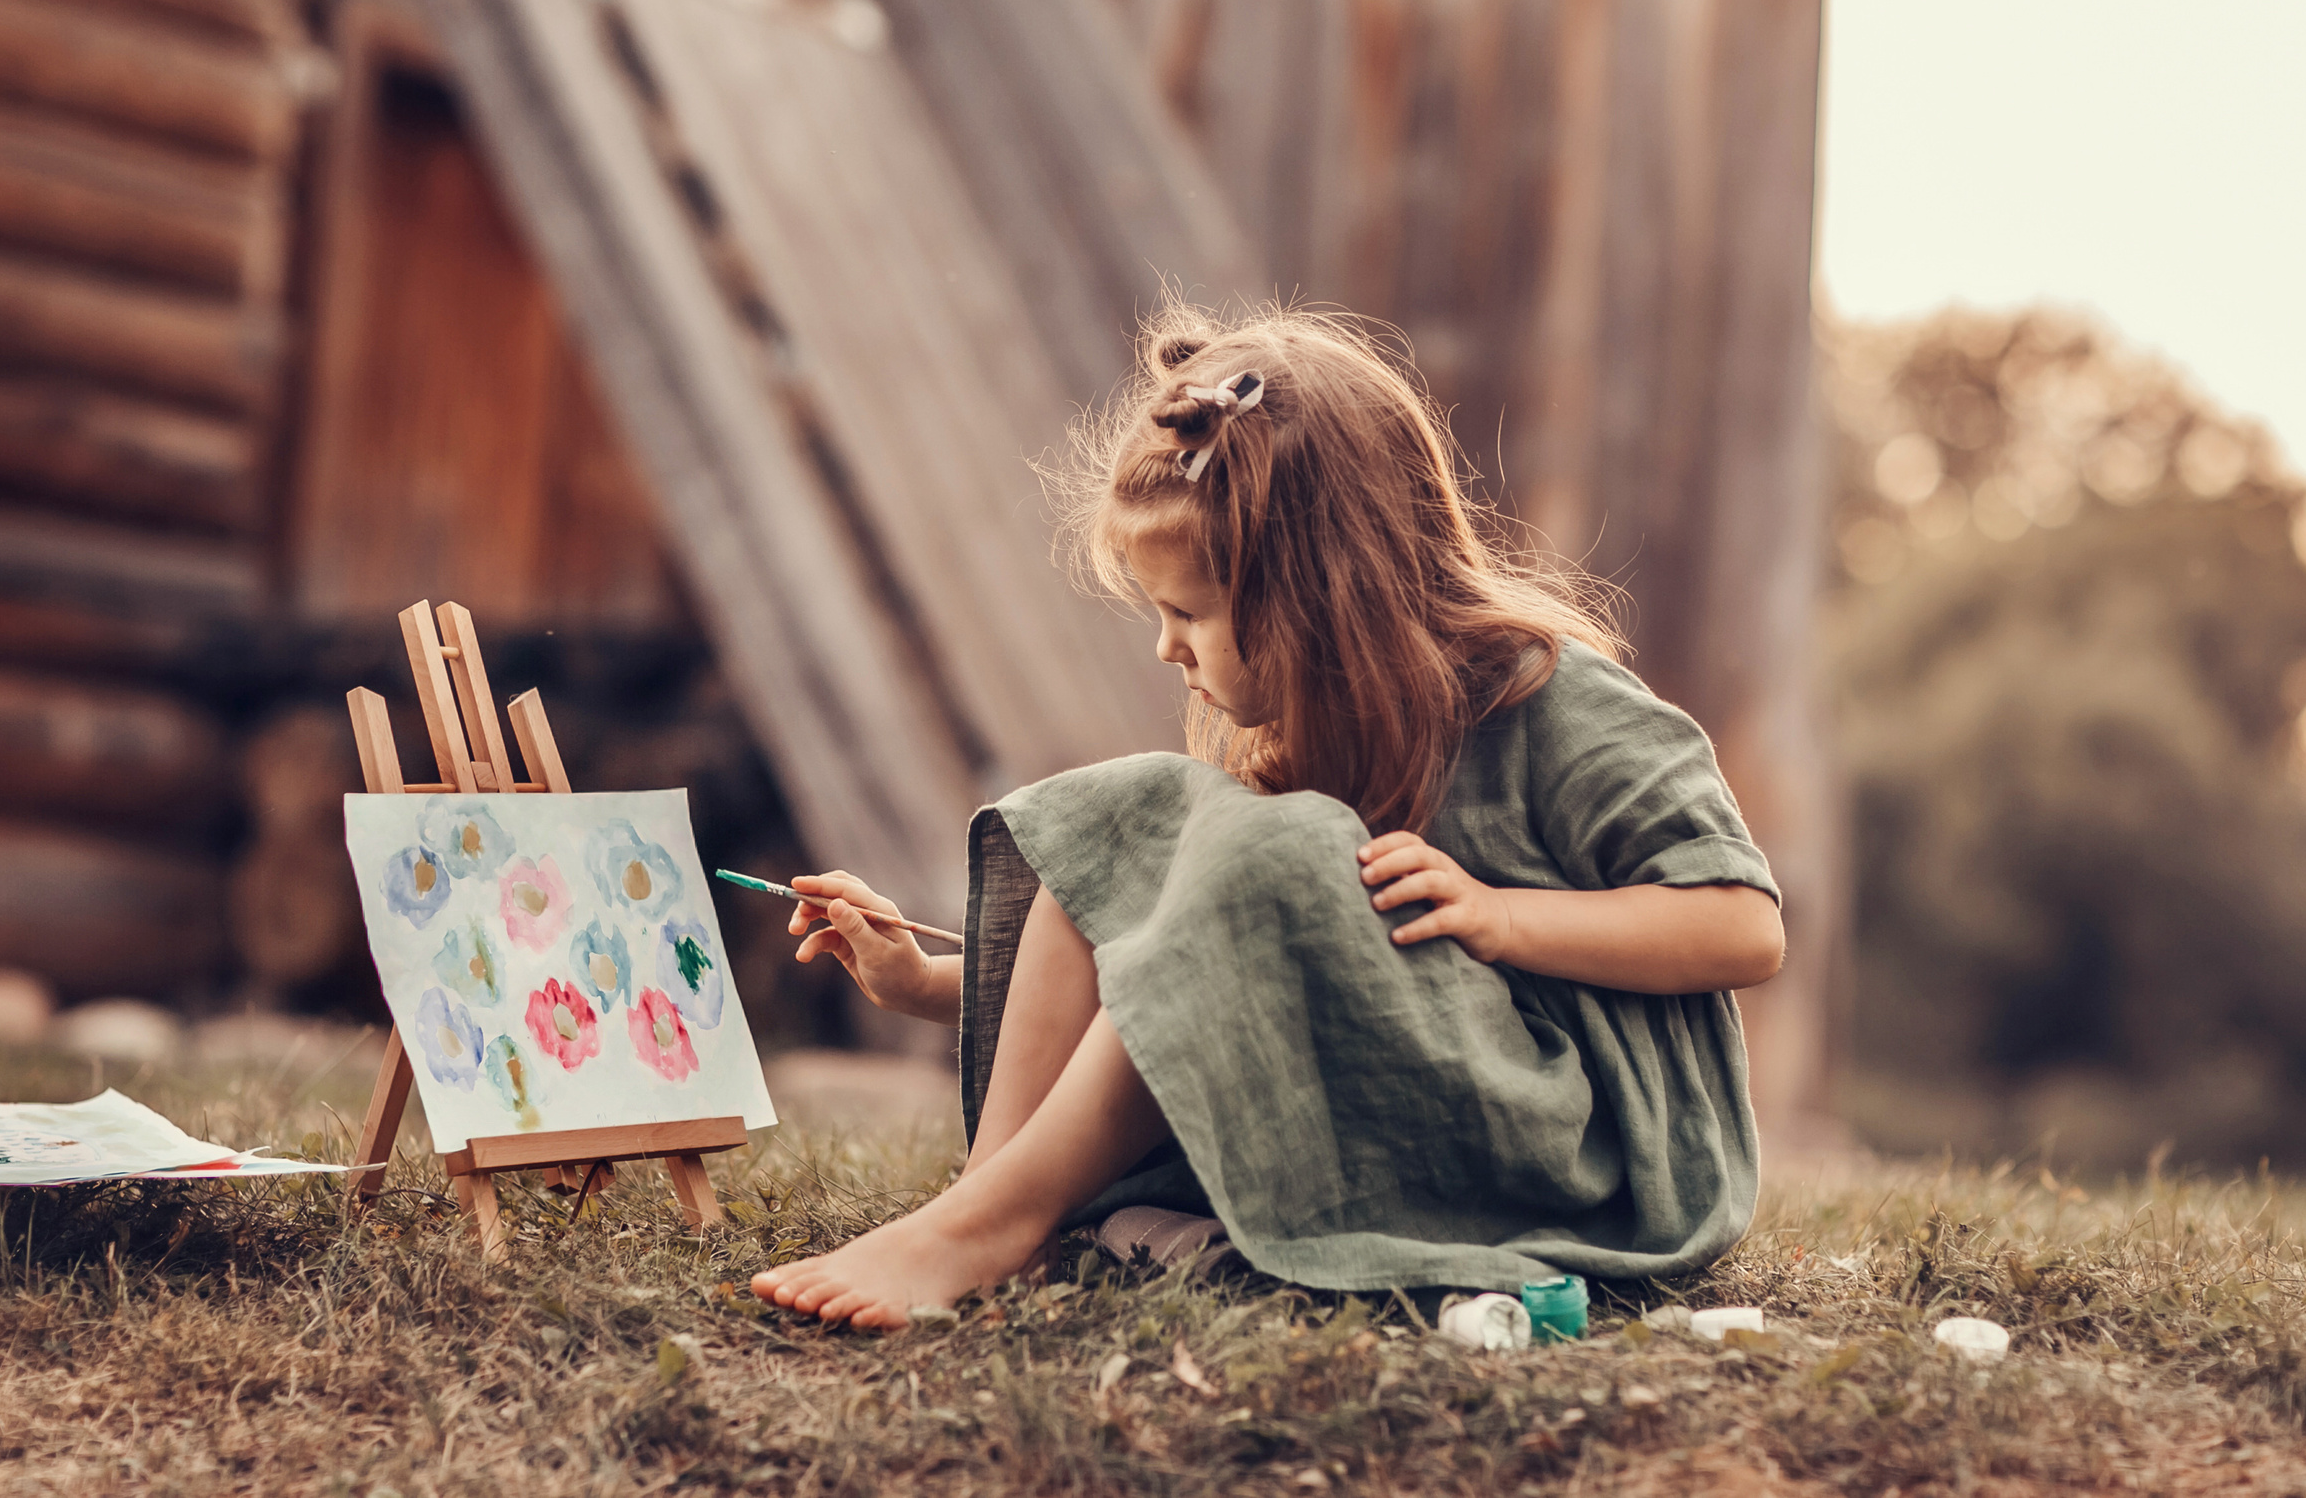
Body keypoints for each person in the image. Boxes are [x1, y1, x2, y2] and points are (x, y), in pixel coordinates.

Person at [750, 306, 1786, 1329]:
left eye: (1189, 614)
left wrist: (1500, 917)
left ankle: (994, 1220)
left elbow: (1743, 926)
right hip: (1435, 1095)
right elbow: (1185, 973)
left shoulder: (1553, 700)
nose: (1168, 650)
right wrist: (925, 983)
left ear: (1319, 591)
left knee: (1269, 847)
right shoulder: (1317, 736)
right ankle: (996, 1202)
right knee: (1126, 815)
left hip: (1590, 1153)